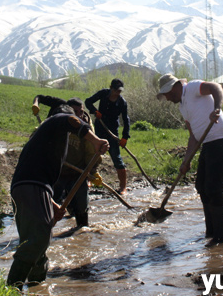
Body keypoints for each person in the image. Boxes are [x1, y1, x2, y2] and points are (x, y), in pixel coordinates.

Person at [7, 105, 109, 289]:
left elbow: (40, 173)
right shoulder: (57, 121)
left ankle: (37, 287)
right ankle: (11, 288)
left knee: (38, 244)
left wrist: (52, 203)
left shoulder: (49, 140)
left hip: (30, 189)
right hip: (31, 187)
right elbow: (70, 121)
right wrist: (95, 140)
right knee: (39, 238)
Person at [157, 73, 223, 247]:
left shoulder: (192, 88)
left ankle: (221, 238)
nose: (168, 98)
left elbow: (216, 87)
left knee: (214, 188)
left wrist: (217, 109)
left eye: (168, 94)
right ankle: (211, 232)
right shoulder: (182, 107)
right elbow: (193, 136)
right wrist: (186, 160)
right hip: (208, 144)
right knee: (201, 186)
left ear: (175, 86)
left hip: (222, 141)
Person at [32, 95, 102, 227]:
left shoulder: (86, 129)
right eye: (75, 112)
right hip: (57, 173)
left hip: (79, 173)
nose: (79, 116)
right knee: (50, 206)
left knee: (82, 207)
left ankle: (82, 234)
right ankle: (43, 234)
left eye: (81, 112)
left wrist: (92, 172)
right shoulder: (56, 125)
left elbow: (91, 152)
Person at [85, 78, 131, 194]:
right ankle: (88, 180)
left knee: (116, 157)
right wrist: (95, 112)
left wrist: (125, 137)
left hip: (112, 132)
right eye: (116, 90)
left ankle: (123, 187)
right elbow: (88, 102)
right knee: (93, 154)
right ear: (111, 88)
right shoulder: (103, 93)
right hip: (100, 128)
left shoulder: (122, 102)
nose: (117, 93)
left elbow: (126, 120)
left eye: (120, 91)